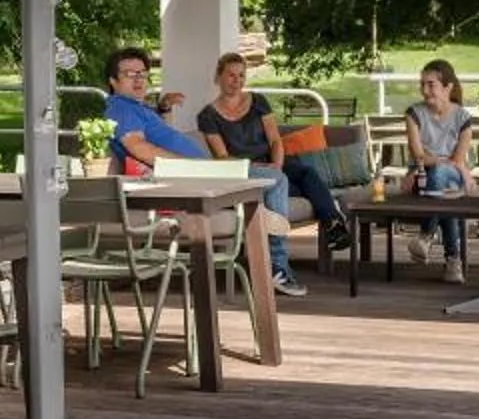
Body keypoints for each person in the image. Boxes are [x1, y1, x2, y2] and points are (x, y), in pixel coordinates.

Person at [102, 46, 304, 296]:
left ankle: (254, 213)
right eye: (130, 74)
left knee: (273, 178)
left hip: (203, 170)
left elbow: (160, 137)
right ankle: (275, 265)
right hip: (195, 174)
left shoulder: (137, 108)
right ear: (113, 81)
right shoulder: (120, 108)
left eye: (142, 73)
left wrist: (164, 109)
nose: (139, 79)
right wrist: (185, 165)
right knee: (274, 179)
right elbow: (138, 147)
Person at [196, 54, 344, 286]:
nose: (237, 81)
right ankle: (278, 266)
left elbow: (275, 140)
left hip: (272, 163)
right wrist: (257, 168)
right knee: (286, 183)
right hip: (244, 172)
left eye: (241, 75)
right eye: (231, 75)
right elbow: (223, 157)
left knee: (306, 173)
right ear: (218, 77)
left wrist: (276, 165)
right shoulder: (207, 116)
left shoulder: (258, 101)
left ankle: (333, 224)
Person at [402, 60, 475, 286]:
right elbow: (418, 155)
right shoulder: (414, 113)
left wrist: (441, 163)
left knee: (442, 175)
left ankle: (426, 235)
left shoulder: (463, 117)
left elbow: (457, 159)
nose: (424, 90)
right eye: (422, 84)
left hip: (447, 173)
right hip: (422, 176)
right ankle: (453, 261)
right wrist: (442, 162)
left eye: (431, 84)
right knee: (447, 193)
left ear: (448, 87)